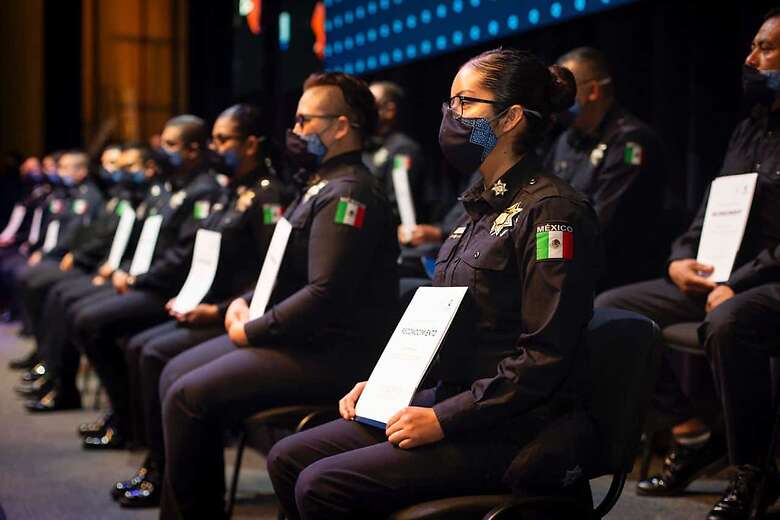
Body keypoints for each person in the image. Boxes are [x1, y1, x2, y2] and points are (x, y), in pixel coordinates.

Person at [266, 48, 603, 520]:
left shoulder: (553, 213)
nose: (451, 115)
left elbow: (544, 357)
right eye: (450, 102)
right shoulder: (476, 210)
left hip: (509, 424)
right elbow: (442, 328)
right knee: (287, 457)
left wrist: (444, 419)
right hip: (449, 398)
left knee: (322, 485)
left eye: (465, 102)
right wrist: (386, 386)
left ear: (509, 119)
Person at [155, 72, 399, 518]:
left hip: (330, 353)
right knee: (174, 373)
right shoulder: (318, 185)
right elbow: (282, 275)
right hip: (296, 337)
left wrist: (253, 329)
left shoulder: (350, 193)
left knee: (188, 395)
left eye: (305, 122)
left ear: (342, 126)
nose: (296, 132)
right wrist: (240, 305)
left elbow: (325, 294)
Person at [595, 9, 780, 519]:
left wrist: (739, 284)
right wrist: (680, 259)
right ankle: (690, 433)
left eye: (765, 48)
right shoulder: (750, 128)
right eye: (752, 46)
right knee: (616, 311)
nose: (751, 58)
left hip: (765, 282)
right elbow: (712, 206)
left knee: (728, 321)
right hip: (722, 276)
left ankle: (752, 470)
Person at [96, 103, 287, 509]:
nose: (214, 147)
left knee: (152, 352)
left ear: (251, 143)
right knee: (139, 347)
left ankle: (165, 470)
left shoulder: (267, 195)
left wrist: (218, 310)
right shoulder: (229, 190)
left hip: (236, 313)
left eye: (222, 139)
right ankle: (156, 463)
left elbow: (271, 274)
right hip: (209, 305)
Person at [65, 115, 224, 446]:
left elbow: (183, 257)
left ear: (194, 149)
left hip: (170, 290)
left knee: (91, 321)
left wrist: (137, 279)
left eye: (169, 144)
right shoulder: (175, 185)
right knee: (82, 313)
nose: (161, 151)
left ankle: (127, 420)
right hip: (153, 283)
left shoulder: (204, 190)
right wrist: (130, 272)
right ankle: (123, 414)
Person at [20, 144, 164, 411]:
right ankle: (54, 374)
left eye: (127, 166)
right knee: (56, 293)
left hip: (141, 281)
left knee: (76, 308)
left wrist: (118, 270)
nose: (118, 172)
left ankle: (120, 414)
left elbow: (153, 249)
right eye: (115, 165)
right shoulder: (124, 197)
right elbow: (103, 235)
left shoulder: (149, 199)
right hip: (117, 271)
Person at [547, 47, 667, 290]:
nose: (556, 101)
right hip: (562, 258)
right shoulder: (565, 141)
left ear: (592, 91)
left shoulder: (630, 141)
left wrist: (544, 250)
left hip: (614, 273)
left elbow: (602, 225)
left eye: (564, 91)